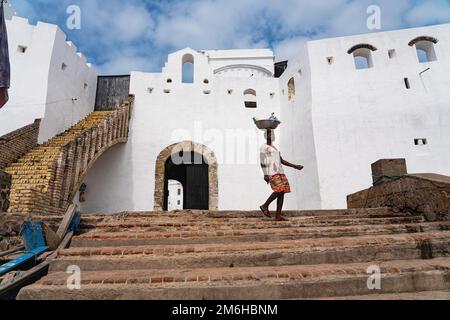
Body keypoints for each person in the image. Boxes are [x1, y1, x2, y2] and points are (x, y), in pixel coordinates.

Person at [260, 129, 304, 221]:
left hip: (280, 171)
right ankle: (265, 205)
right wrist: (265, 174)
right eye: (269, 134)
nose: (271, 135)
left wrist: (295, 166)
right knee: (279, 189)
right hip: (271, 171)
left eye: (272, 134)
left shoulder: (275, 148)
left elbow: (282, 160)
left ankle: (278, 215)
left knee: (282, 192)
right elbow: (262, 161)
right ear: (265, 136)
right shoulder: (264, 147)